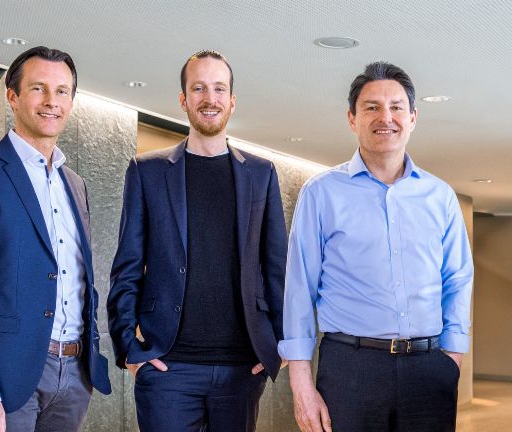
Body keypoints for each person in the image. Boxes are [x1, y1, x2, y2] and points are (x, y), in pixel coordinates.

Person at [279, 61, 474, 432]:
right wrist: (301, 382)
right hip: (350, 369)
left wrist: (452, 356)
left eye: (397, 107)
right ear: (352, 119)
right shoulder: (321, 193)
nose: (386, 117)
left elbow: (458, 278)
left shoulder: (440, 196)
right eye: (371, 107)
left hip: (429, 368)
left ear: (413, 117)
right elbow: (299, 288)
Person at [107, 49, 287, 432]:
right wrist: (129, 349)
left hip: (241, 368)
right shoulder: (148, 171)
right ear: (184, 99)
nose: (210, 98)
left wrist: (280, 345)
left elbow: (277, 268)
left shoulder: (261, 173)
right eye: (199, 88)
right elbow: (126, 267)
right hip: (168, 367)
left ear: (232, 101)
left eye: (219, 89)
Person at [0, 46, 112, 432]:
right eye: (38, 89)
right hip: (7, 379)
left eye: (62, 91)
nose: (51, 102)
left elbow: (80, 278)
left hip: (74, 374)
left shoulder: (74, 185)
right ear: (12, 96)